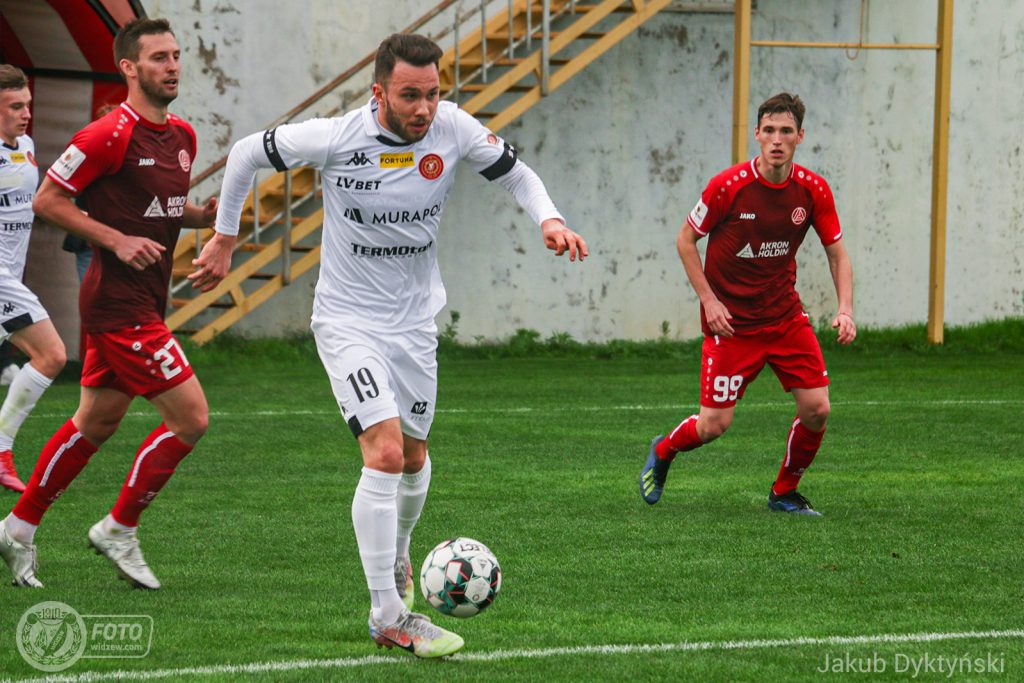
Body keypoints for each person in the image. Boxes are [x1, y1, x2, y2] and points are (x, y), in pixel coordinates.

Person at [199, 33, 587, 657]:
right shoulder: (336, 138)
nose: (424, 108)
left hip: (414, 325)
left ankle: (401, 550)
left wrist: (551, 219)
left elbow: (517, 174)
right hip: (348, 322)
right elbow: (246, 153)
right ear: (378, 92)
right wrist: (224, 237)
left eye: (433, 93)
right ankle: (387, 614)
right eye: (410, 95)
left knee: (412, 456)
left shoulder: (452, 128)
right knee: (382, 453)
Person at [0, 18, 221, 589]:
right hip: (118, 306)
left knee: (94, 422)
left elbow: (157, 206)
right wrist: (115, 240)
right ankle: (119, 527)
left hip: (146, 300)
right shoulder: (105, 134)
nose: (172, 66)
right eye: (158, 58)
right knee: (191, 418)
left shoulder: (183, 136)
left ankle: (18, 528)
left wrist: (201, 216)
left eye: (176, 55)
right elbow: (49, 200)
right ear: (128, 67)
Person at [639, 93, 855, 516]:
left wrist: (845, 308)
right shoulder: (727, 187)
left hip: (785, 319)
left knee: (817, 409)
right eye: (769, 130)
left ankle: (784, 492)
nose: (777, 139)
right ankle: (664, 450)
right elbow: (685, 241)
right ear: (756, 134)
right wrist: (709, 300)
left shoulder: (812, 190)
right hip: (731, 326)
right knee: (713, 425)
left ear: (800, 137)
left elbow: (837, 254)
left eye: (786, 131)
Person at [0, 65, 67, 493]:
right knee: (52, 354)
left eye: (27, 105)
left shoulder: (25, 145)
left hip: (11, 274)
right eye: (15, 106)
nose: (26, 114)